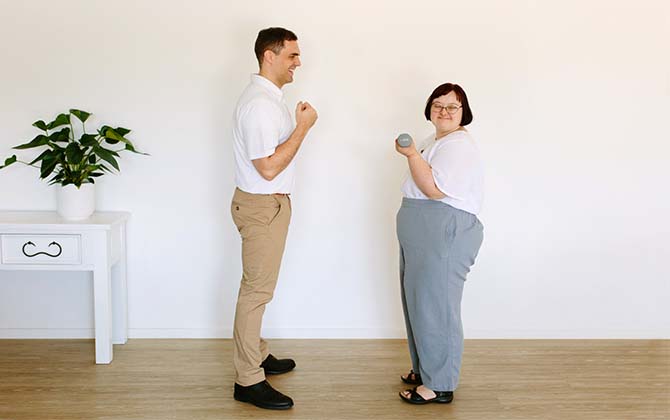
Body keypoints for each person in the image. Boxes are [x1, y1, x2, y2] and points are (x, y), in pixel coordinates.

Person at [230, 27, 318, 410]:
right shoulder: (260, 105)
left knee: (257, 288)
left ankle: (257, 353)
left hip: (268, 206)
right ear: (270, 55)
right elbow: (267, 168)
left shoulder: (269, 99)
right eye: (292, 55)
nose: (298, 62)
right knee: (256, 293)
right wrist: (303, 128)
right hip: (262, 206)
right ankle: (248, 379)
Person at [395, 82, 484, 405]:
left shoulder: (458, 145)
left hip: (443, 226)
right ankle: (426, 369)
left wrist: (410, 154)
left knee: (437, 307)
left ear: (464, 113)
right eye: (438, 104)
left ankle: (440, 383)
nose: (444, 111)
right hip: (423, 226)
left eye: (453, 106)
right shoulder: (435, 140)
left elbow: (433, 189)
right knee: (419, 303)